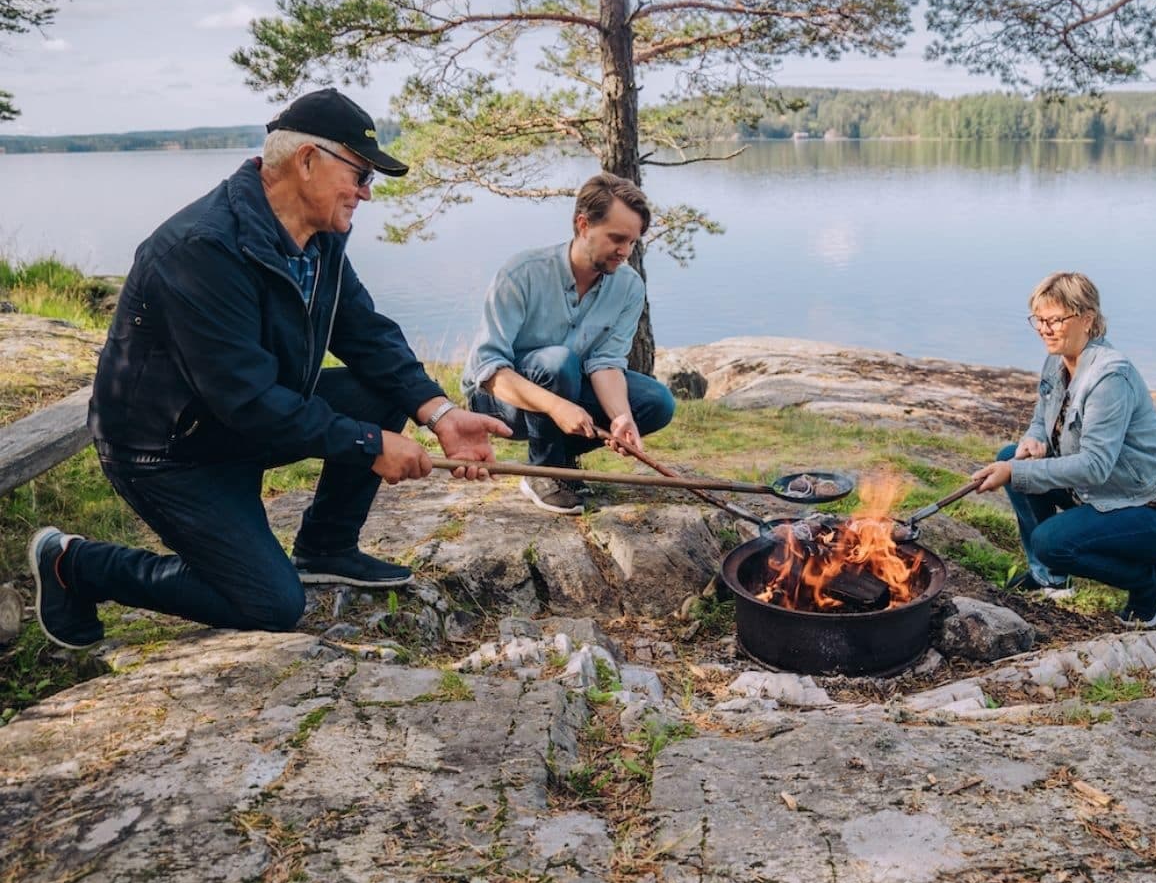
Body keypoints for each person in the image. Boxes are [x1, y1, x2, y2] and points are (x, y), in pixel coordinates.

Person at [27, 88, 512, 650]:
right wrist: (368, 444)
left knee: (380, 391)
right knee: (271, 603)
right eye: (360, 174)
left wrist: (441, 414)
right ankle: (76, 563)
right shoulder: (200, 250)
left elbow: (363, 330)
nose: (366, 193)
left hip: (239, 425)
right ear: (307, 161)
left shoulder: (319, 235)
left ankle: (326, 547)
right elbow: (248, 400)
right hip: (169, 452)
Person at [971, 272, 1156, 628]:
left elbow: (1095, 466)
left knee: (1051, 540)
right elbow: (1041, 416)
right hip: (1108, 490)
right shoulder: (1059, 358)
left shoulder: (1110, 377)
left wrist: (1016, 473)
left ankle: (1153, 583)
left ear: (1088, 319)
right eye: (1039, 319)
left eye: (1055, 320)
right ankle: (1049, 578)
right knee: (1009, 455)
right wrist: (1033, 440)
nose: (1045, 329)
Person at [462, 173, 676, 515]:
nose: (625, 251)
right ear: (583, 225)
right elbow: (488, 371)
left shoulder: (629, 286)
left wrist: (621, 418)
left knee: (656, 401)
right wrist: (556, 407)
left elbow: (605, 362)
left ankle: (563, 458)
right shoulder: (522, 273)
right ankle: (543, 471)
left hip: (567, 388)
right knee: (558, 362)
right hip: (500, 403)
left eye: (633, 242)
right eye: (617, 239)